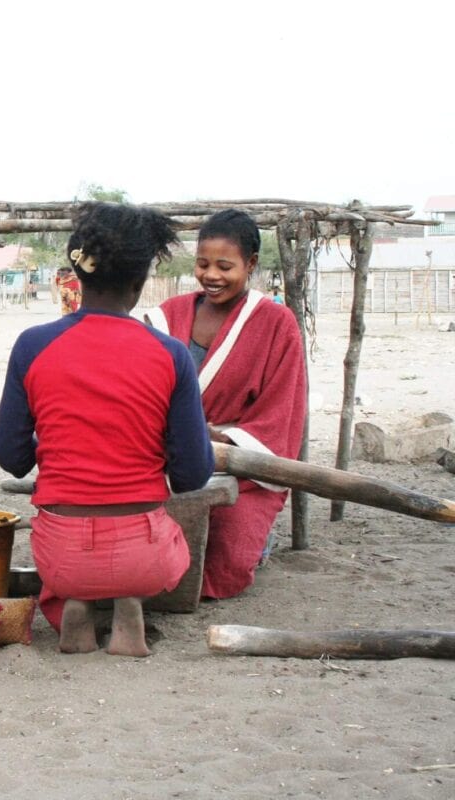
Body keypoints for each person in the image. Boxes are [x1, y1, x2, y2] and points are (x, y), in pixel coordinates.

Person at [0, 203, 214, 656]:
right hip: (145, 558)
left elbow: (11, 458)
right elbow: (194, 474)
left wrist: (56, 441)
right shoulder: (170, 354)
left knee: (73, 554)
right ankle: (128, 605)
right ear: (138, 284)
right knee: (160, 543)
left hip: (61, 561)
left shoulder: (33, 345)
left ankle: (77, 603)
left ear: (78, 274)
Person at [146, 209, 307, 599]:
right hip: (163, 457)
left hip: (240, 466)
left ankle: (257, 546)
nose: (211, 275)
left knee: (223, 562)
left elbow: (283, 409)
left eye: (224, 266)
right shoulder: (166, 317)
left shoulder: (275, 323)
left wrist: (219, 438)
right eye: (202, 264)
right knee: (137, 543)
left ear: (250, 264)